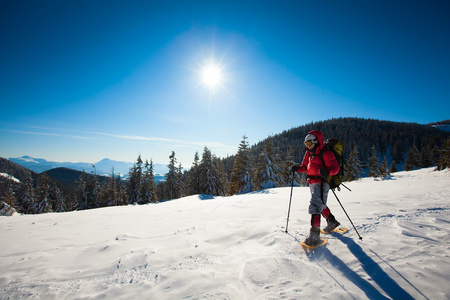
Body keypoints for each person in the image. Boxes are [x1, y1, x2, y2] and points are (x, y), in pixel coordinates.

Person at [292, 130, 341, 246]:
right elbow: (305, 167)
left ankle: (314, 235)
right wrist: (297, 168)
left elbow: (336, 168)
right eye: (306, 144)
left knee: (315, 205)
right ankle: (332, 222)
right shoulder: (309, 153)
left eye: (309, 143)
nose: (307, 146)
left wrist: (327, 171)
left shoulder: (326, 153)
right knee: (320, 204)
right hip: (312, 182)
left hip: (322, 182)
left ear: (316, 141)